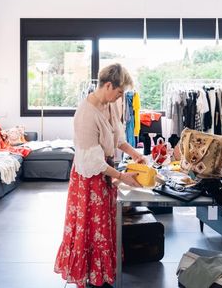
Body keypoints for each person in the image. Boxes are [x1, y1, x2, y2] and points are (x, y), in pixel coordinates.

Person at [54, 63, 146, 288]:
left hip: (105, 170)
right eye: (119, 92)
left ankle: (103, 270)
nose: (120, 96)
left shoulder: (110, 105)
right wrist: (122, 177)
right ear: (107, 85)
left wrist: (135, 155)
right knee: (91, 225)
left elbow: (118, 138)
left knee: (106, 221)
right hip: (89, 177)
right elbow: (91, 161)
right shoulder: (85, 114)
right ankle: (90, 272)